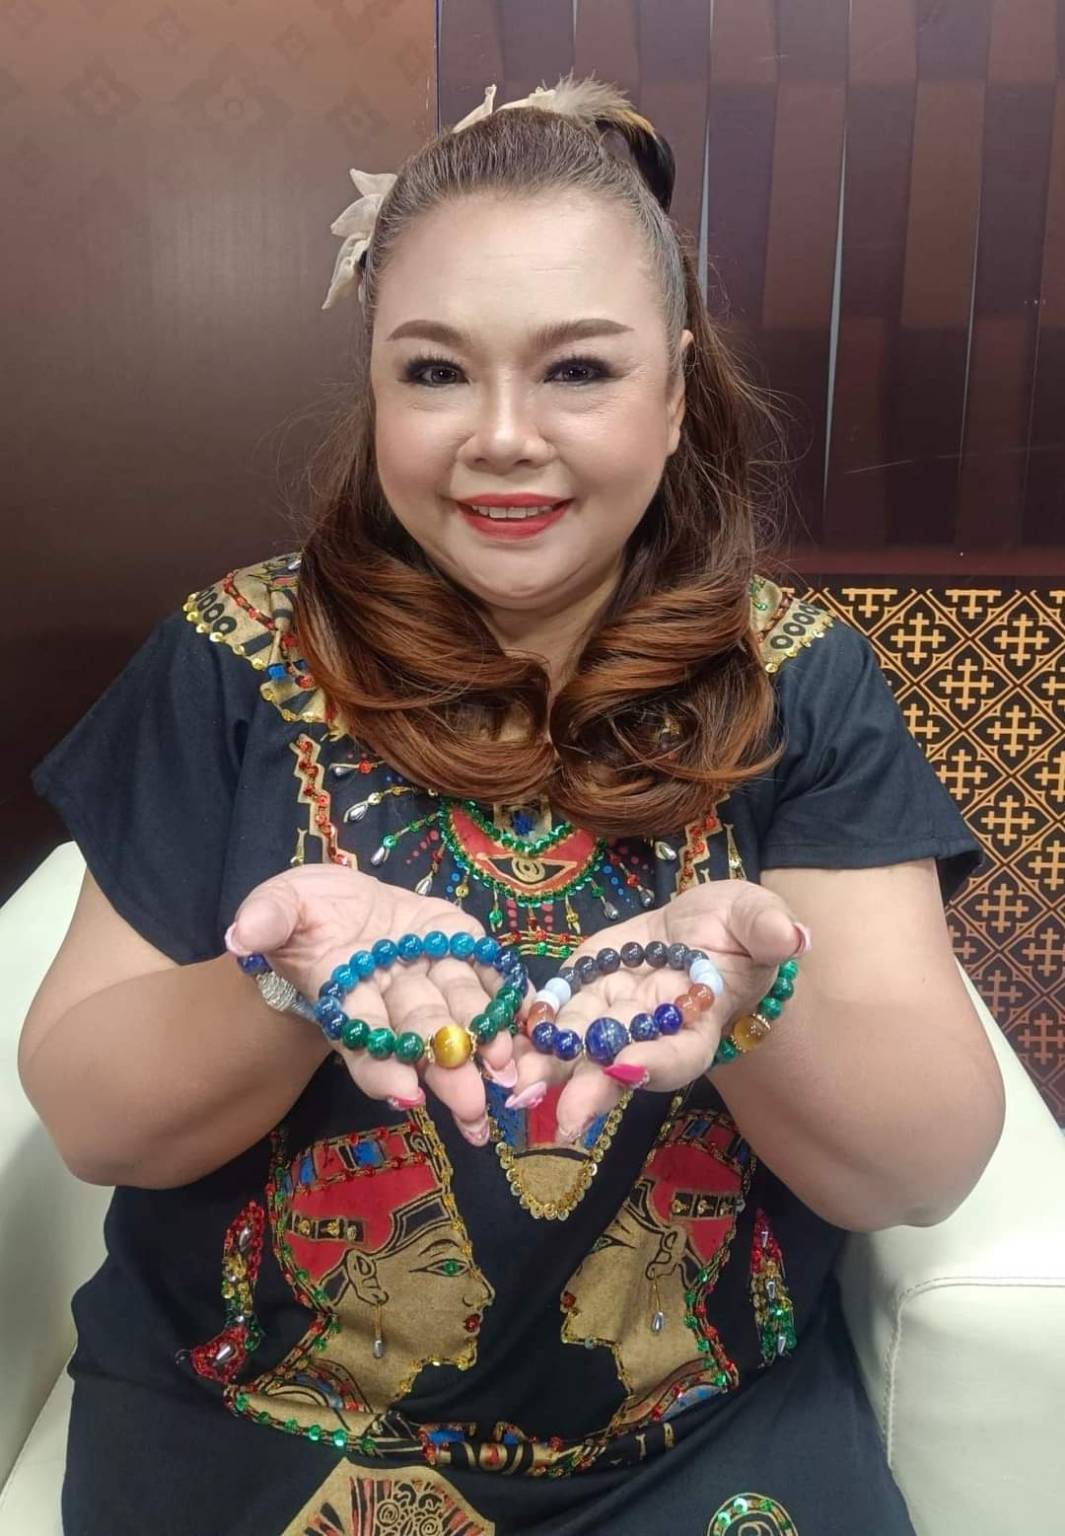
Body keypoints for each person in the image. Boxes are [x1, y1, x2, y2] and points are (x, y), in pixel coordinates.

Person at [20, 77, 1003, 1536]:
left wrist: (753, 1009)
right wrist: (284, 983)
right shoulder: (232, 657)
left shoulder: (796, 681)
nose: (499, 437)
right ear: (375, 384)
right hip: (256, 1436)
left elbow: (921, 1166)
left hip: (696, 1441)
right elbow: (91, 1116)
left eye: (577, 371)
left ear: (675, 391)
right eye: (434, 371)